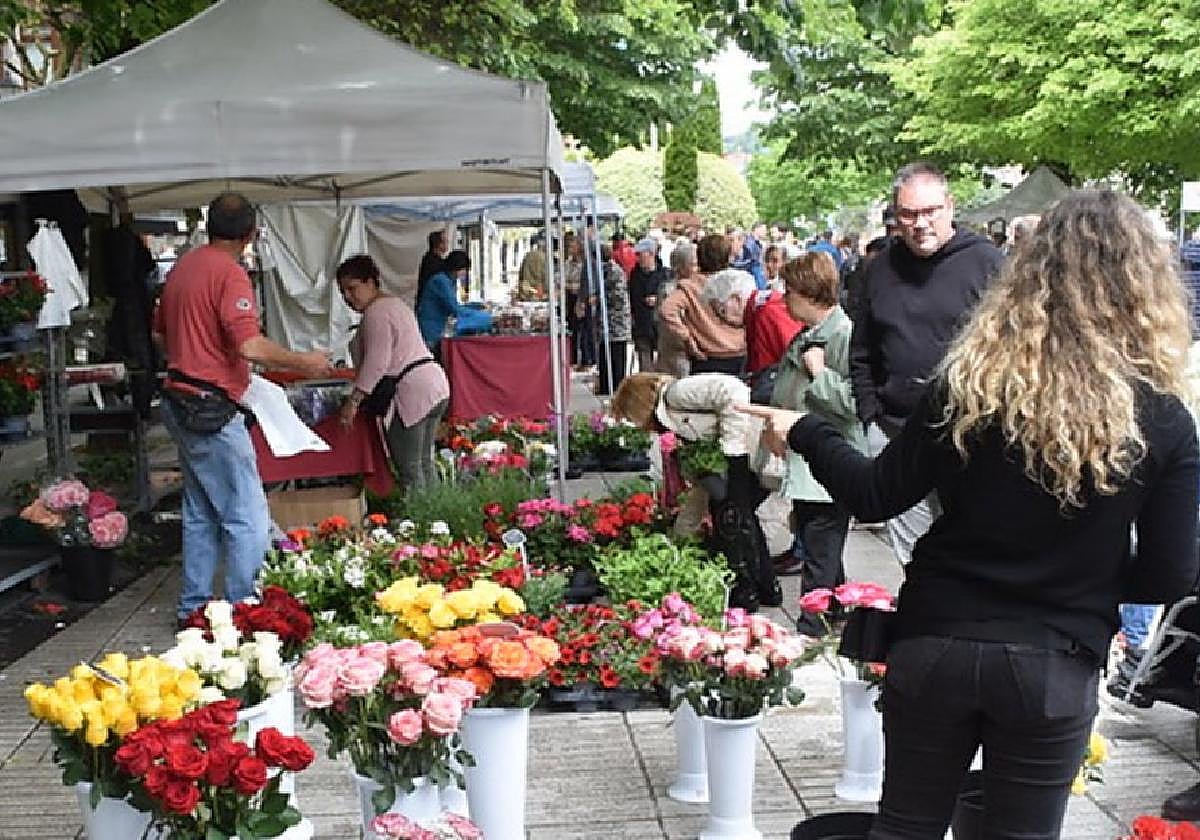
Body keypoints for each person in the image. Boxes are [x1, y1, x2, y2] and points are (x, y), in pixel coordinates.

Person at [743, 189, 1200, 839]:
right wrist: (1076, 580)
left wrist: (809, 432)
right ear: (1145, 286)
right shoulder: (1161, 417)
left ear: (1028, 277)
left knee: (905, 830)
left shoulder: (971, 385)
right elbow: (1169, 576)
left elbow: (875, 495)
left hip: (938, 643)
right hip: (1054, 662)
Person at [153, 192, 331, 623]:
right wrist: (305, 361)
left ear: (209, 225)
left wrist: (196, 354)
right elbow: (249, 345)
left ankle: (193, 608)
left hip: (178, 399)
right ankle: (244, 612)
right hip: (211, 407)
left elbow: (159, 335)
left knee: (199, 511)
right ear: (250, 234)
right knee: (246, 515)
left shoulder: (183, 268)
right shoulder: (229, 274)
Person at [850, 161, 1003, 566]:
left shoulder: (986, 263)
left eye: (929, 211)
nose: (920, 223)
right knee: (914, 560)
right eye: (909, 214)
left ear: (949, 207)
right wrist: (870, 416)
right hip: (897, 434)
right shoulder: (878, 270)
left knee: (972, 548)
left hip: (970, 435)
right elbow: (861, 350)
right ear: (896, 218)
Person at [611, 371, 782, 610]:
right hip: (741, 458)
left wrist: (733, 450)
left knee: (733, 519)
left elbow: (732, 389)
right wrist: (679, 540)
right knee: (737, 517)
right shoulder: (676, 422)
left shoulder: (677, 394)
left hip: (749, 454)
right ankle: (762, 588)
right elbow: (698, 493)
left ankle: (748, 590)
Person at [768, 252, 862, 633]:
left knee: (819, 547)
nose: (784, 298)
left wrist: (819, 371)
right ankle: (837, 608)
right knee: (817, 540)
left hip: (828, 464)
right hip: (807, 462)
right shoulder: (811, 333)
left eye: (789, 290)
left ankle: (813, 624)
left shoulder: (842, 335)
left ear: (808, 292)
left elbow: (852, 403)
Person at [335, 255, 450, 494]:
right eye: (343, 291)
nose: (348, 297)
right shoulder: (395, 304)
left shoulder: (376, 312)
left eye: (352, 288)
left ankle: (420, 524)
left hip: (414, 390)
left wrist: (353, 401)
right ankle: (439, 516)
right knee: (425, 463)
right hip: (435, 384)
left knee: (410, 469)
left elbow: (377, 363)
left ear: (371, 282)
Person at [659, 233, 753, 376]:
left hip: (706, 356)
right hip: (739, 353)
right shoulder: (739, 281)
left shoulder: (689, 286)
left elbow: (667, 310)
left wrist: (687, 338)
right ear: (727, 256)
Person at [590, 242, 632, 396]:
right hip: (606, 324)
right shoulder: (605, 271)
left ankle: (617, 389)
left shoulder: (614, 272)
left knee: (617, 358)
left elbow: (618, 297)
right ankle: (605, 386)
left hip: (616, 323)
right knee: (605, 356)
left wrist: (599, 299)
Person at [416, 250, 474, 356]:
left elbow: (454, 305)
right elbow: (454, 308)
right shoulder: (441, 281)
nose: (465, 273)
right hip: (431, 331)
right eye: (464, 269)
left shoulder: (448, 280)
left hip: (437, 328)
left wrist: (475, 307)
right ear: (457, 267)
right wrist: (479, 315)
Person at [628, 237, 668, 373]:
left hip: (661, 325)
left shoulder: (665, 274)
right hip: (641, 323)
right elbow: (631, 297)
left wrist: (658, 300)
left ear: (651, 254)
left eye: (640, 254)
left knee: (664, 360)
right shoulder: (634, 275)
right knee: (644, 360)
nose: (637, 258)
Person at [656, 241, 694, 379]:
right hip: (676, 354)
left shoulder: (696, 287)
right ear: (680, 267)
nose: (697, 269)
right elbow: (666, 321)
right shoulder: (669, 290)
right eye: (693, 264)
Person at [417, 229, 448, 306]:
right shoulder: (433, 262)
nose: (447, 244)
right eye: (445, 241)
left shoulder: (430, 258)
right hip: (430, 305)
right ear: (439, 244)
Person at [517, 235, 548, 301]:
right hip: (537, 292)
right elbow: (539, 276)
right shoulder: (542, 256)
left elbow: (521, 274)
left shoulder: (527, 255)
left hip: (526, 290)